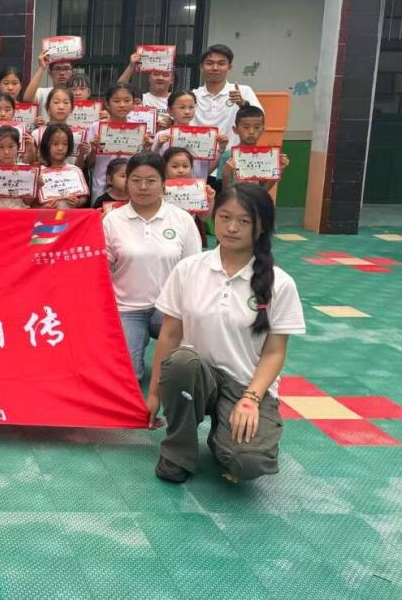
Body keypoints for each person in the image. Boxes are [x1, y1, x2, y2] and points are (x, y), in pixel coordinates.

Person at [147, 183, 305, 484]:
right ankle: (178, 452)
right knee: (181, 362)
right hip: (196, 376)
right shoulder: (189, 269)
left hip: (246, 384)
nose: (232, 228)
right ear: (213, 217)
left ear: (261, 226)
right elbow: (169, 336)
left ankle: (224, 434)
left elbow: (274, 352)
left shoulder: (280, 283)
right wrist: (153, 394)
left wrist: (251, 399)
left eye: (244, 221)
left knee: (248, 463)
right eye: (224, 217)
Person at [103, 152, 201, 382]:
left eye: (151, 180)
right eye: (136, 180)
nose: (143, 187)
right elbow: (102, 269)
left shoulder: (182, 219)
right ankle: (136, 339)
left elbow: (194, 269)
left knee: (179, 371)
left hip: (170, 308)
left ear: (163, 183)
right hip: (127, 309)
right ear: (127, 182)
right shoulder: (112, 220)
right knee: (129, 378)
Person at [83, 83, 151, 202]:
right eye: (116, 101)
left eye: (127, 100)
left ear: (133, 103)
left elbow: (142, 162)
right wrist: (94, 149)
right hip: (102, 185)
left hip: (131, 186)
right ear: (107, 104)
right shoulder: (96, 127)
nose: (122, 105)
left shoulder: (138, 128)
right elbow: (88, 164)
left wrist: (146, 148)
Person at [192, 44, 262, 145]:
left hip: (232, 153)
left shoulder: (244, 91)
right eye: (209, 63)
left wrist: (243, 105)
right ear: (201, 67)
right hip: (197, 153)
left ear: (229, 67)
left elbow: (259, 121)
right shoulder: (192, 96)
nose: (215, 68)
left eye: (221, 64)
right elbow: (174, 118)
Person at [222, 105, 290, 191]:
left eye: (257, 127)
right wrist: (226, 173)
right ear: (236, 129)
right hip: (234, 199)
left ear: (263, 129)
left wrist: (279, 169)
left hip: (257, 199)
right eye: (246, 127)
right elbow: (224, 192)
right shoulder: (227, 155)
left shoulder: (266, 157)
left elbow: (263, 191)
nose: (251, 132)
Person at [37, 124, 88, 209]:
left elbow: (84, 196)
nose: (60, 148)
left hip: (71, 216)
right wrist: (44, 208)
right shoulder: (39, 173)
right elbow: (32, 203)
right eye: (55, 144)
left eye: (65, 144)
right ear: (46, 145)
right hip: (47, 216)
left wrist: (78, 202)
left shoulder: (75, 170)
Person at [118, 51, 175, 116]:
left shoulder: (177, 100)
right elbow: (119, 89)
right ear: (149, 78)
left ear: (172, 80)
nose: (160, 78)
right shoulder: (139, 99)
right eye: (156, 74)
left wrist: (171, 120)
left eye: (165, 75)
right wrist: (131, 66)